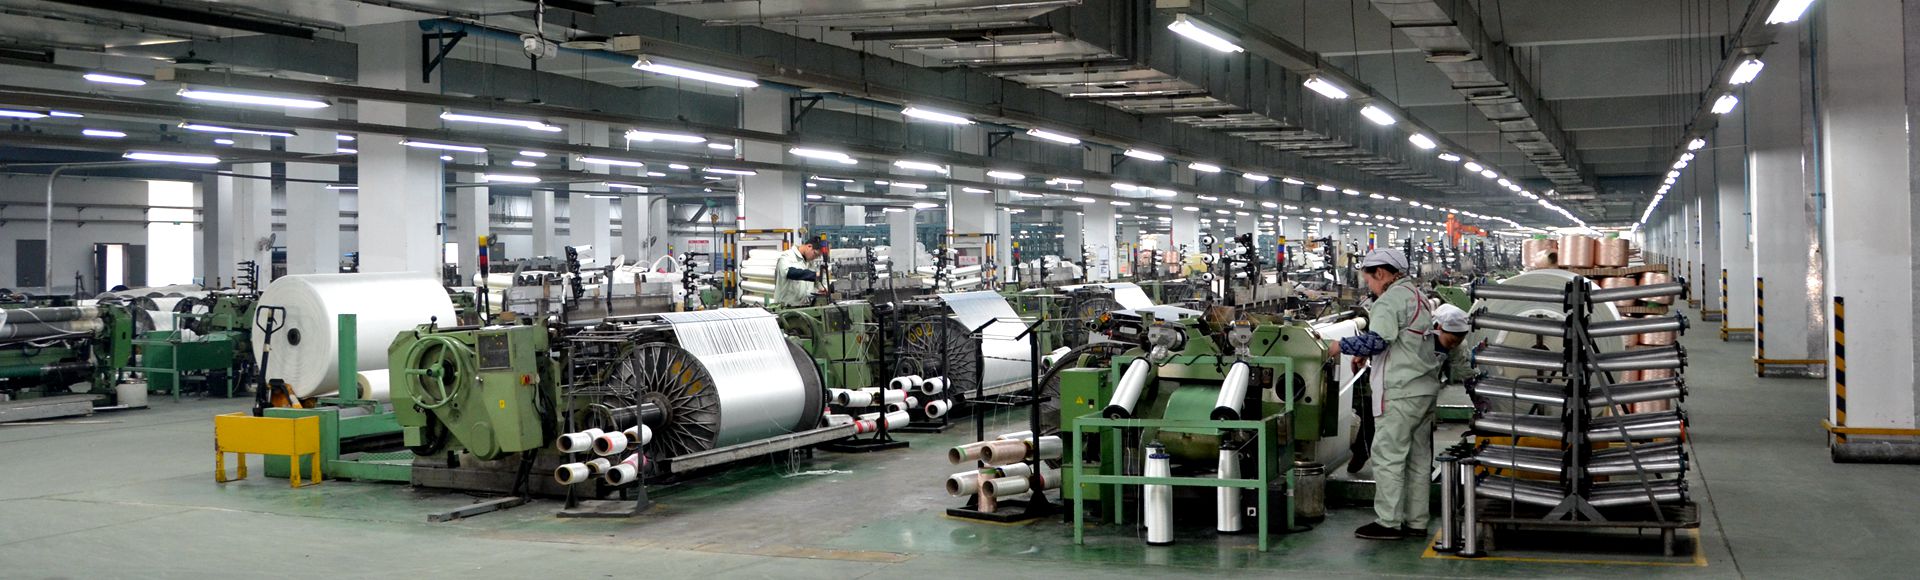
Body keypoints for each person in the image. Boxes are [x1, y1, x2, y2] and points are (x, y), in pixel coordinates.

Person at [1326, 249, 1443, 540]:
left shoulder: (1389, 300)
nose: (1370, 287)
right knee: (1418, 460)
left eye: (1369, 280)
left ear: (1380, 273)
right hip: (1423, 389)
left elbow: (1378, 341)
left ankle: (1388, 522)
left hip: (1400, 392)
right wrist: (1366, 354)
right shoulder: (1418, 297)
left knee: (1388, 456)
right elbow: (1400, 340)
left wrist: (1341, 346)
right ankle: (1416, 522)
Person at [772, 239, 827, 308]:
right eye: (815, 254)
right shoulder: (787, 256)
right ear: (809, 246)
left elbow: (816, 281)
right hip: (785, 307)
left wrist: (823, 288)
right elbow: (789, 272)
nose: (815, 258)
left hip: (804, 306)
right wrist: (814, 275)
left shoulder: (810, 263)